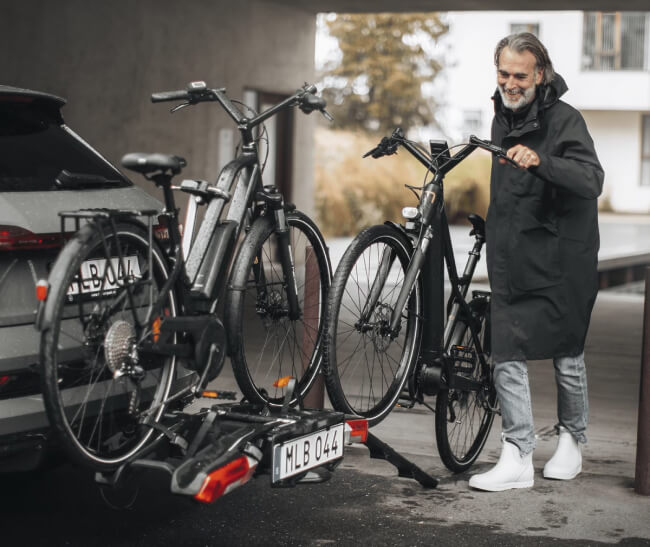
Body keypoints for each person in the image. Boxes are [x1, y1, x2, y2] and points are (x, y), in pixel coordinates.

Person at [468, 33, 604, 492]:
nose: (510, 83)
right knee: (504, 347)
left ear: (539, 74)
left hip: (563, 256)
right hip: (514, 252)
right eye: (503, 73)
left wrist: (541, 160)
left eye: (519, 75)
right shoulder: (499, 119)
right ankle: (517, 454)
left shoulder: (567, 120)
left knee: (566, 352)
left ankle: (573, 439)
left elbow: (591, 180)